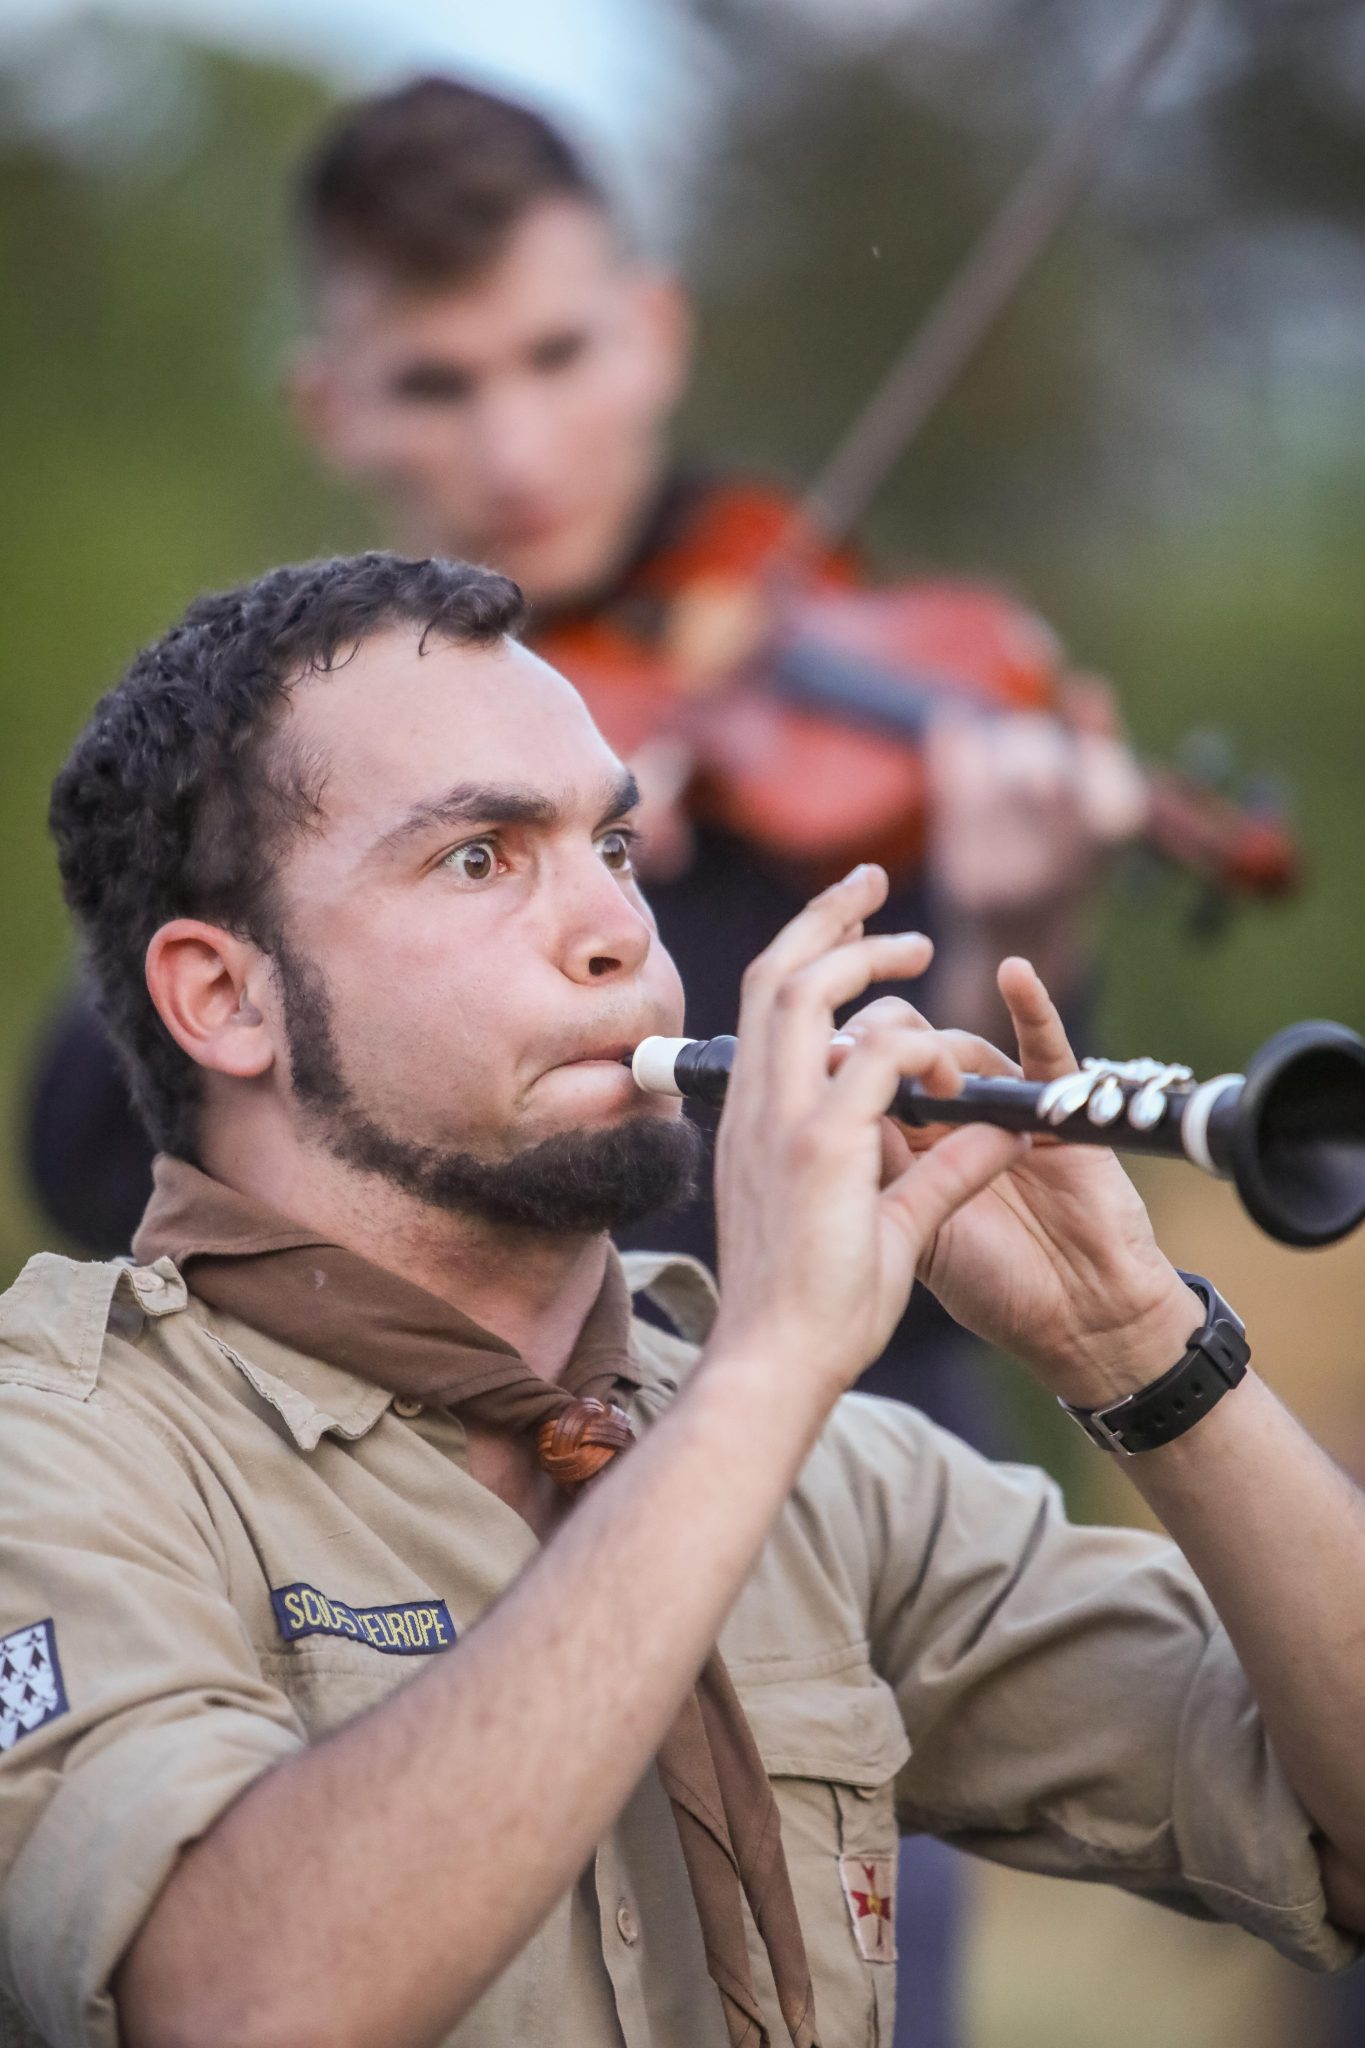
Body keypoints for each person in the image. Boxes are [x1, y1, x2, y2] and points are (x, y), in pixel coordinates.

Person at [2, 550, 1362, 2048]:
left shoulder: (821, 1473)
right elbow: (239, 2006)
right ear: (225, 998)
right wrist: (770, 1370)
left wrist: (1145, 1355)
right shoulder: (57, 1453)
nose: (619, 939)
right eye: (480, 858)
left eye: (618, 850)